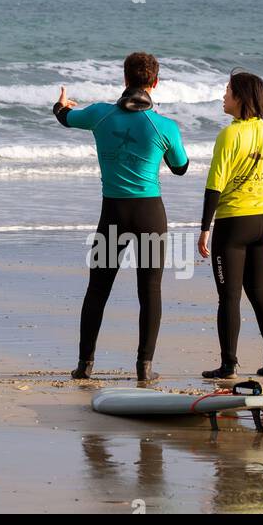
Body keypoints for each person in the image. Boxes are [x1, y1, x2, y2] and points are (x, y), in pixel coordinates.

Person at [54, 52, 189, 383]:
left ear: (124, 79)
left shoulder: (99, 115)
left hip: (112, 212)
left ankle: (84, 365)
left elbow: (64, 118)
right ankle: (144, 368)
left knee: (98, 288)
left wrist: (62, 105)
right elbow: (180, 167)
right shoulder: (165, 126)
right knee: (150, 290)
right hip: (149, 214)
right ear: (155, 82)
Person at [198, 70, 263, 380]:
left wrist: (205, 228)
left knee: (230, 296)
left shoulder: (229, 135)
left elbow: (214, 186)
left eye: (228, 91)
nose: (223, 96)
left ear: (241, 98)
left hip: (234, 224)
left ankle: (228, 364)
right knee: (260, 291)